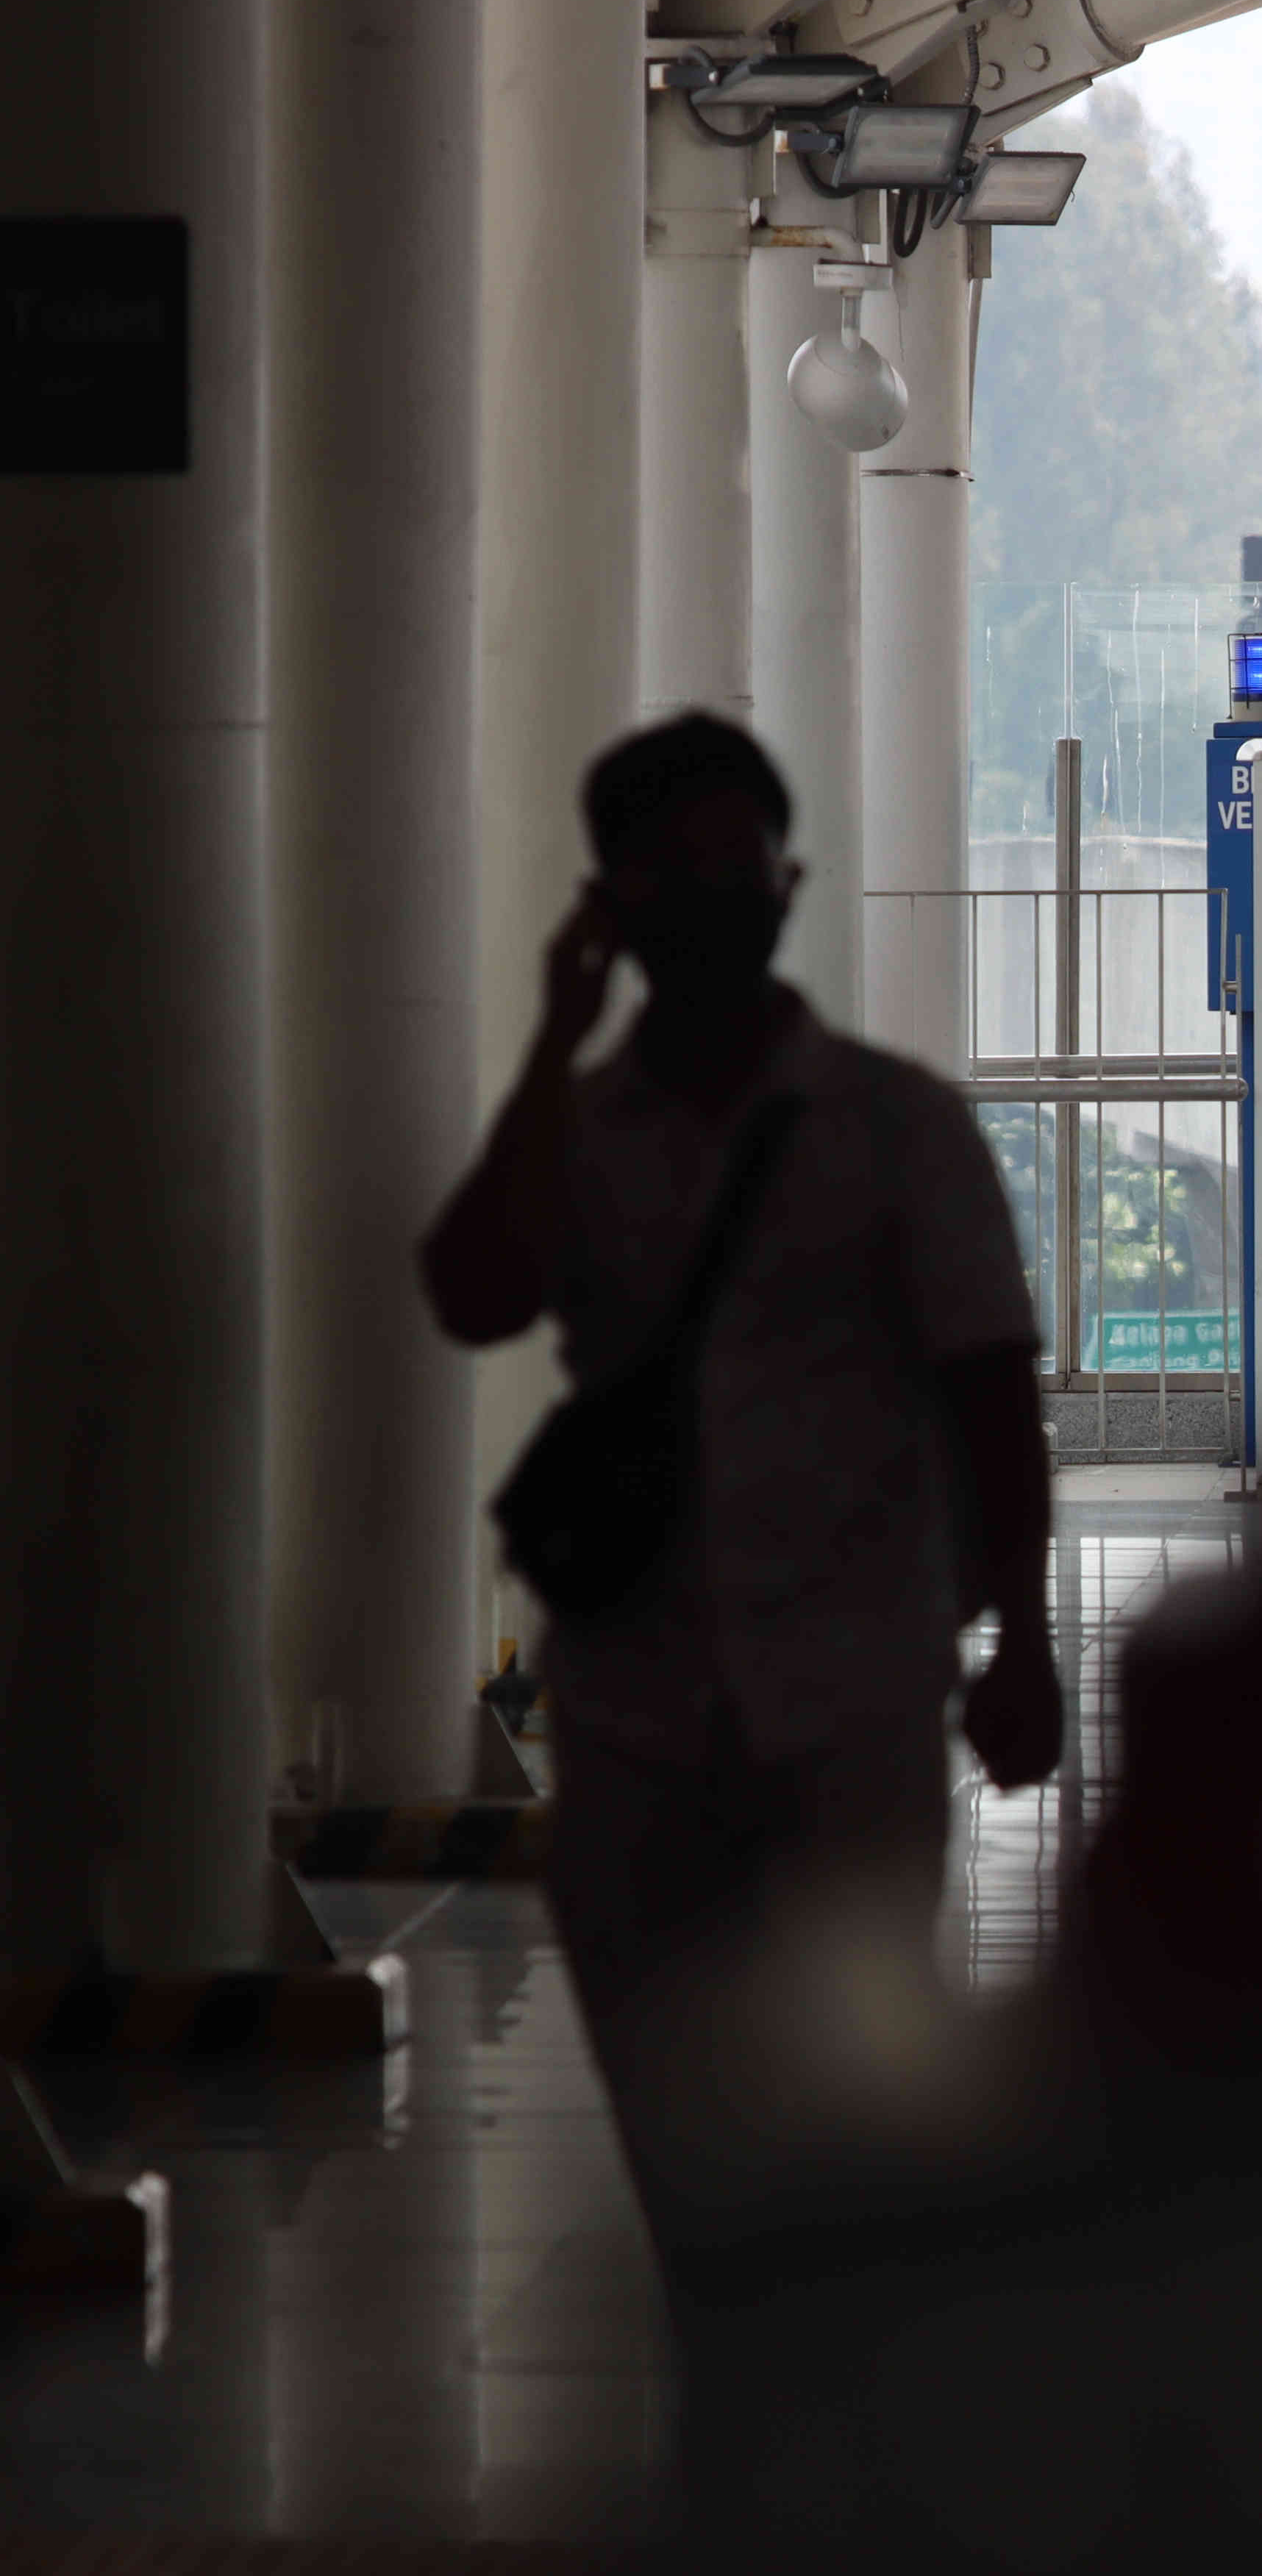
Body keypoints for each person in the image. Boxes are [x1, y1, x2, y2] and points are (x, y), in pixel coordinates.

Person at [423, 714, 1063, 2246]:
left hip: (851, 1707)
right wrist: (543, 1039)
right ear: (608, 902)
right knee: (680, 2156)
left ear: (790, 884)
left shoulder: (894, 1128)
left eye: (734, 864)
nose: (709, 898)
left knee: (843, 2146)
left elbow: (990, 1395)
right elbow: (473, 1289)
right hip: (636, 1708)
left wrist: (1021, 1639)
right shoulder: (577, 1132)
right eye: (667, 870)